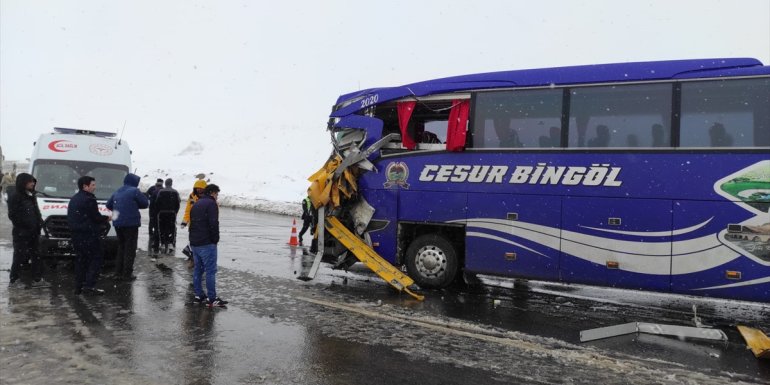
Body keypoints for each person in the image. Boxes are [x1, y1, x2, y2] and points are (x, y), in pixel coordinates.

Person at [68, 175, 111, 295]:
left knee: (81, 260)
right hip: (89, 235)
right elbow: (95, 217)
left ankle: (78, 287)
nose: (95, 187)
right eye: (93, 185)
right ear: (85, 186)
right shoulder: (89, 199)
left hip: (77, 235)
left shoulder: (74, 198)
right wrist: (106, 218)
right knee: (95, 259)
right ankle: (89, 286)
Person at [106, 173, 149, 281]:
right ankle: (127, 274)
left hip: (118, 223)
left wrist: (120, 208)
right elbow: (145, 203)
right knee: (130, 249)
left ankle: (117, 272)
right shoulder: (134, 191)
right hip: (131, 223)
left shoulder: (117, 191)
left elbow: (108, 205)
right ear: (135, 182)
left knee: (121, 247)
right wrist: (132, 205)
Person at [7, 173, 47, 288]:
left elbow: (36, 212)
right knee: (19, 256)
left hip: (34, 232)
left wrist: (40, 223)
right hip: (21, 233)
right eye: (30, 181)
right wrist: (25, 226)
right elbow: (12, 215)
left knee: (36, 256)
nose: (33, 183)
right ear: (23, 182)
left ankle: (37, 279)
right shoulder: (16, 196)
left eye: (33, 181)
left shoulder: (31, 195)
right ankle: (14, 280)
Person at [190, 184, 227, 307]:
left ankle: (199, 295)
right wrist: (215, 239)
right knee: (210, 271)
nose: (217, 197)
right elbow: (213, 223)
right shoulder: (211, 204)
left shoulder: (197, 203)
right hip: (206, 243)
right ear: (212, 192)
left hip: (195, 242)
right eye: (217, 194)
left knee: (198, 270)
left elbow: (192, 223)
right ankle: (211, 298)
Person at [181, 179, 207, 267]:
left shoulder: (208, 198)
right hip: (193, 225)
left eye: (200, 188)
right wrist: (185, 221)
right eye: (197, 188)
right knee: (193, 243)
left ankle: (200, 260)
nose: (198, 190)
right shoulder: (192, 196)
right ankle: (193, 260)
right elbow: (188, 210)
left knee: (202, 244)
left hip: (203, 226)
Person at [155, 178, 181, 254]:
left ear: (165, 184)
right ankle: (170, 243)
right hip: (171, 213)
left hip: (162, 213)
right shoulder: (175, 192)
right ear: (171, 184)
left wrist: (159, 211)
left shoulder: (161, 191)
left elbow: (157, 202)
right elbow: (178, 203)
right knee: (171, 228)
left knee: (162, 228)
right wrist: (175, 211)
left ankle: (163, 243)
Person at [146, 178, 164, 256]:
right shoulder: (160, 189)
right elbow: (147, 194)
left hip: (153, 209)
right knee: (155, 223)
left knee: (152, 221)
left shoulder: (154, 189)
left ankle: (152, 234)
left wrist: (150, 198)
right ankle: (153, 233)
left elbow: (147, 194)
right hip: (158, 210)